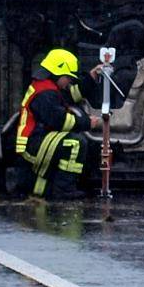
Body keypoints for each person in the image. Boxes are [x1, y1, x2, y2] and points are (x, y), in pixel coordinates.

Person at [16, 49, 94, 199]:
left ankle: (56, 186)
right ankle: (64, 190)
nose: (69, 82)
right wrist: (88, 122)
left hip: (39, 139)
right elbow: (60, 121)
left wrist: (91, 79)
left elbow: (70, 96)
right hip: (34, 144)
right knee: (75, 143)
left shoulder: (47, 86)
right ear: (57, 72)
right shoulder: (45, 93)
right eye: (68, 78)